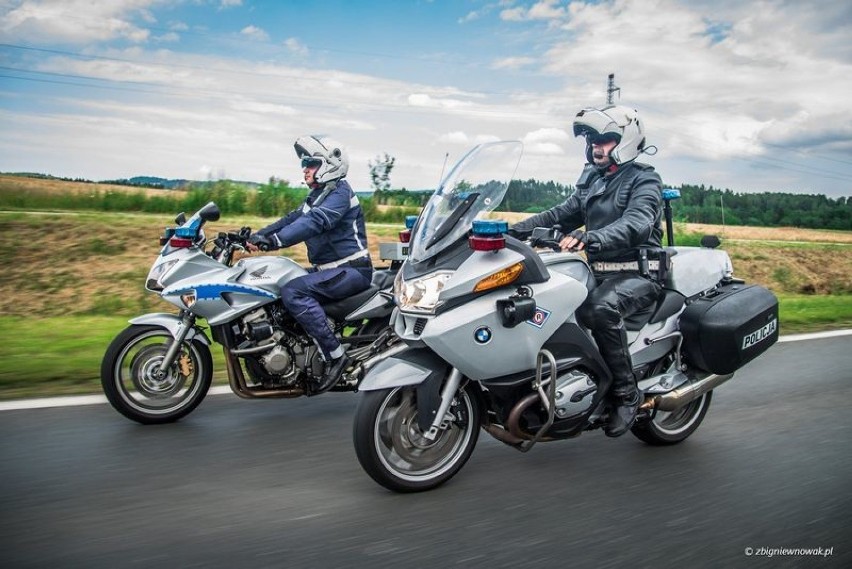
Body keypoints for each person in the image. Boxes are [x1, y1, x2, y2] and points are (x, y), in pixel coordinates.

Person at [509, 105, 663, 437]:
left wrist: (590, 238)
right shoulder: (593, 179)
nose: (596, 145)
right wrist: (508, 233)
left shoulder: (644, 179)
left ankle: (626, 392)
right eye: (592, 138)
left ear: (626, 140)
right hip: (598, 271)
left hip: (638, 274)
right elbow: (558, 215)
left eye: (606, 139)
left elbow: (636, 224)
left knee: (599, 308)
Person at [247, 135, 373, 395]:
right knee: (276, 287)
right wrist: (255, 237)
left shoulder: (340, 194)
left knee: (294, 291)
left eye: (311, 163)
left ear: (329, 165)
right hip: (329, 270)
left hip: (352, 271)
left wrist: (275, 241)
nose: (305, 169)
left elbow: (314, 222)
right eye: (304, 163)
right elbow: (291, 219)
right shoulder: (318, 195)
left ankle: (336, 356)